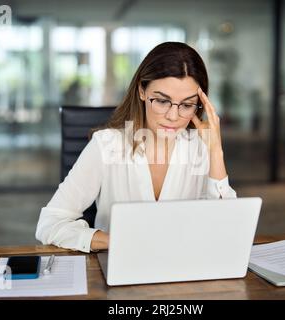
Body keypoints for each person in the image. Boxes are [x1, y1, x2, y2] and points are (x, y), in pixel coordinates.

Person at [35, 42, 237, 253]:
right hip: (119, 270)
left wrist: (216, 151)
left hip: (183, 271)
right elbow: (50, 223)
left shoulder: (201, 146)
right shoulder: (106, 145)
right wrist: (116, 241)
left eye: (186, 105)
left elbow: (227, 230)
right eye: (161, 101)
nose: (173, 116)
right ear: (142, 91)